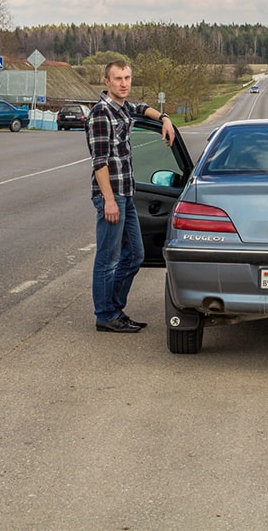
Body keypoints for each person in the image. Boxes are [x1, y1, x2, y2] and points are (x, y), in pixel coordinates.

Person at [85, 58, 176, 333]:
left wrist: (164, 118)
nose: (124, 84)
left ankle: (114, 310)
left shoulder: (123, 108)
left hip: (127, 193)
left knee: (135, 254)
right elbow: (100, 163)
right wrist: (109, 201)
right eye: (118, 79)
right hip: (111, 196)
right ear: (107, 82)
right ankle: (106, 315)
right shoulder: (101, 114)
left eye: (127, 78)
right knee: (107, 258)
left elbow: (142, 108)